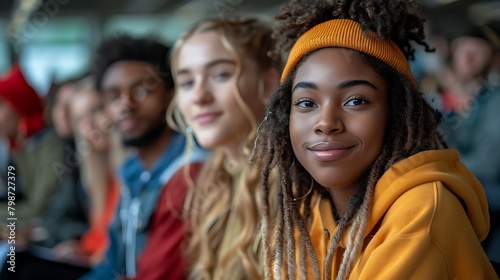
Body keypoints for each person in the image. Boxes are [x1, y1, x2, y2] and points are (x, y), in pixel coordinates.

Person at [252, 0, 498, 279]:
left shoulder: (423, 211)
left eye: (356, 100)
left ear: (395, 113)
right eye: (307, 103)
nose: (325, 123)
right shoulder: (309, 210)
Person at [81, 35, 206, 280]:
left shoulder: (190, 171)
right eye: (114, 97)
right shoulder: (131, 172)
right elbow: (111, 266)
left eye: (140, 90)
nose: (126, 105)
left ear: (170, 95)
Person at [167, 17, 281, 279]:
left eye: (220, 75)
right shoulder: (212, 179)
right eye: (187, 82)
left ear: (270, 83)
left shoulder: (295, 185)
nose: (199, 96)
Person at [425, 25, 500, 263]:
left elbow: (487, 164)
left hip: (486, 198)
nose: (468, 55)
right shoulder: (431, 93)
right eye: (463, 47)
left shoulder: (494, 99)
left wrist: (434, 165)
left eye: (478, 50)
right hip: (443, 191)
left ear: (492, 58)